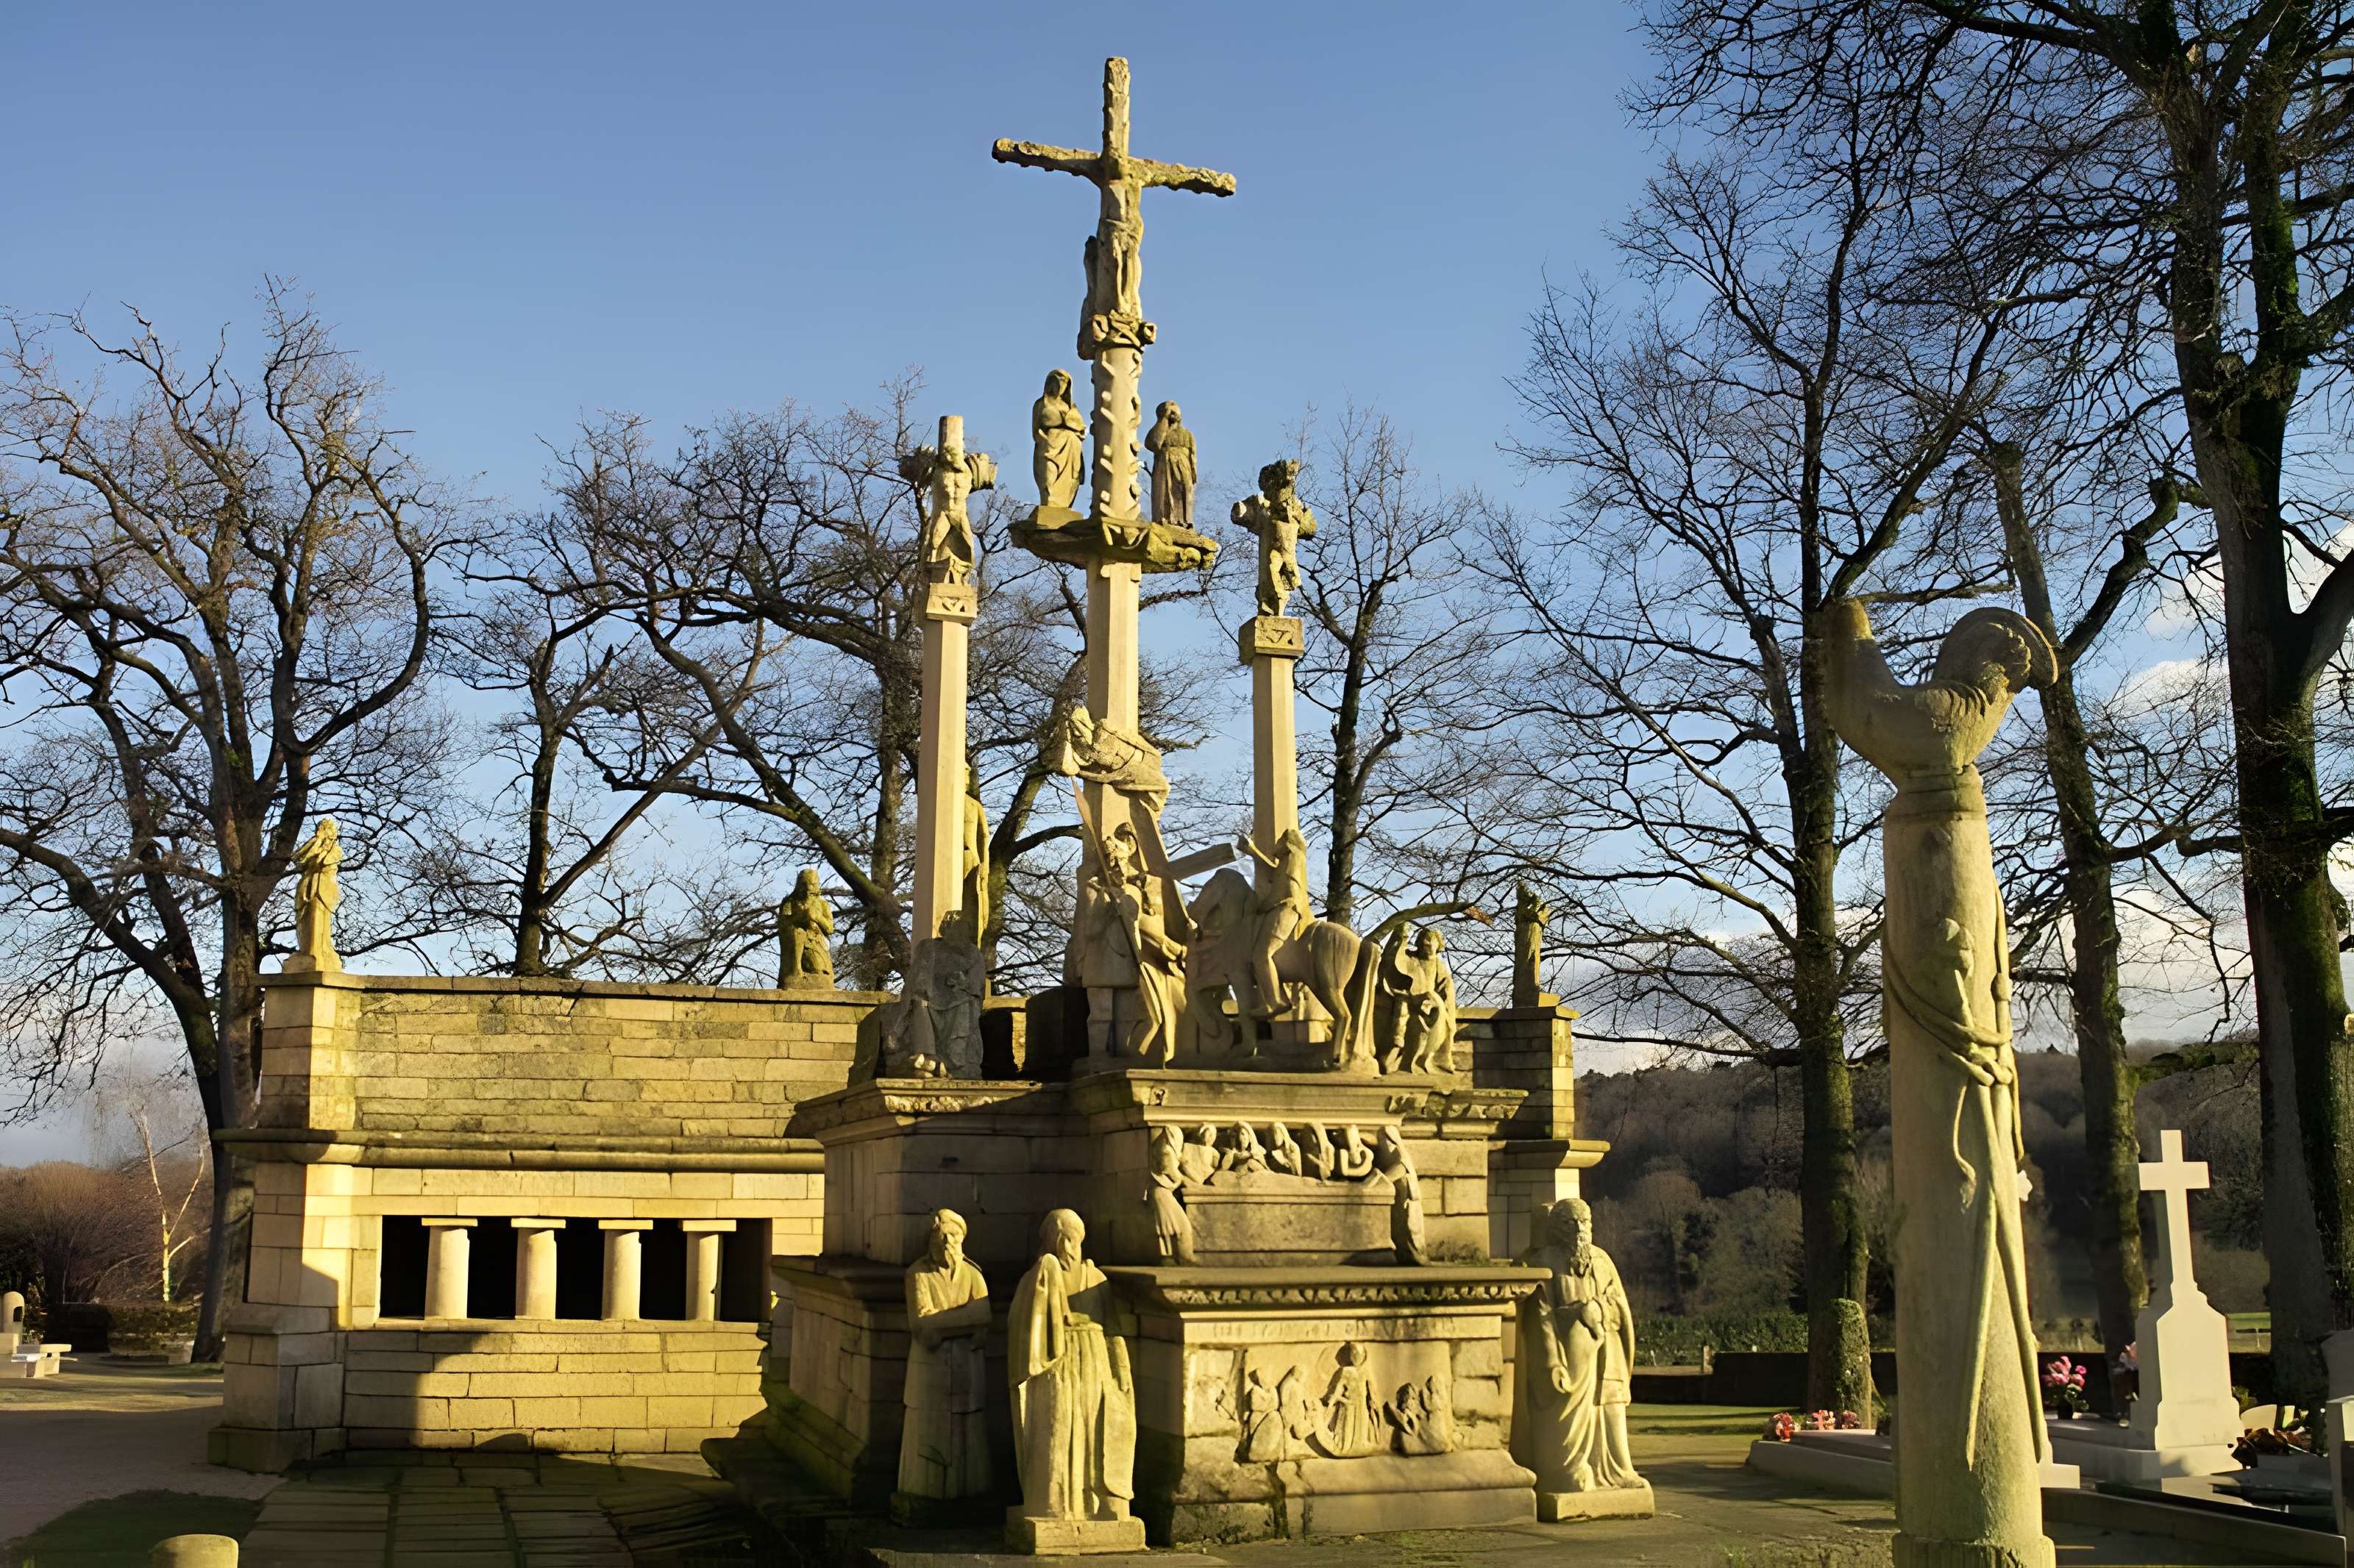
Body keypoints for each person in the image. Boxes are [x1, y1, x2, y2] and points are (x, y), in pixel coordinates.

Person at [1008, 1211, 1138, 1527]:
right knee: (1060, 1429)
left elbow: (1113, 1331)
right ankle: (1057, 1505)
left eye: (1078, 1238)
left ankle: (1096, 1503)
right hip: (1058, 1367)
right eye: (1066, 1238)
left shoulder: (1097, 1280)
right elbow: (1023, 1324)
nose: (1072, 1246)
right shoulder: (1039, 1276)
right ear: (1053, 1240)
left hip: (1094, 1364)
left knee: (1095, 1431)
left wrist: (1121, 1374)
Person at [1512, 1198, 1641, 1493]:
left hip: (1607, 1350)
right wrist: (1553, 1359)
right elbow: (1539, 1313)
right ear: (1556, 1227)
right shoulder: (1543, 1261)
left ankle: (1620, 1470)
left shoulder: (1602, 1260)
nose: (1580, 1229)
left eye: (1585, 1222)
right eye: (1571, 1222)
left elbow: (1619, 1304)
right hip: (1569, 1354)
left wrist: (1598, 1309)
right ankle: (1568, 1469)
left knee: (1612, 1406)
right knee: (1566, 1412)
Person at [900, 1209, 992, 1503]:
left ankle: (967, 1494)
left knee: (968, 1432)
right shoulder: (918, 1274)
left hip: (967, 1369)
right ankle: (927, 1494)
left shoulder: (974, 1275)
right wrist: (967, 1318)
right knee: (928, 1432)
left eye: (953, 1235)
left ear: (962, 1239)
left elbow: (985, 1320)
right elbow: (922, 1327)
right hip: (930, 1370)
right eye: (941, 1236)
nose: (947, 1241)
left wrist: (945, 1324)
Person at [1236, 827, 1312, 1020]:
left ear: (1287, 843)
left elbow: (1285, 890)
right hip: (1282, 909)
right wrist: (1252, 851)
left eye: (1279, 841)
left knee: (1262, 955)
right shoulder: (1289, 861)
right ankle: (1280, 998)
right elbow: (1273, 873)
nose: (1275, 846)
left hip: (1285, 910)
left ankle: (1275, 1002)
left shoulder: (1293, 858)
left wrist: (1261, 907)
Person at [1033, 369, 1086, 511]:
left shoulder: (1071, 407)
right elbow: (1036, 430)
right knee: (1049, 476)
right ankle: (1049, 503)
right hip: (1050, 446)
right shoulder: (1041, 404)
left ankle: (1063, 506)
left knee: (1070, 480)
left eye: (1065, 382)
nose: (1061, 385)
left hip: (1071, 448)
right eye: (1059, 381)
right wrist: (1045, 440)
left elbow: (1081, 429)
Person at [1143, 401, 1197, 527]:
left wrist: (1193, 472)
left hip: (1184, 468)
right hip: (1164, 466)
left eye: (1175, 411)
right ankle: (1164, 519)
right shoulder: (1160, 430)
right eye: (1170, 411)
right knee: (1165, 491)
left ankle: (1185, 521)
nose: (1173, 414)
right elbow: (1154, 444)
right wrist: (1163, 420)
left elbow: (1192, 455)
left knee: (1184, 492)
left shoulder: (1187, 434)